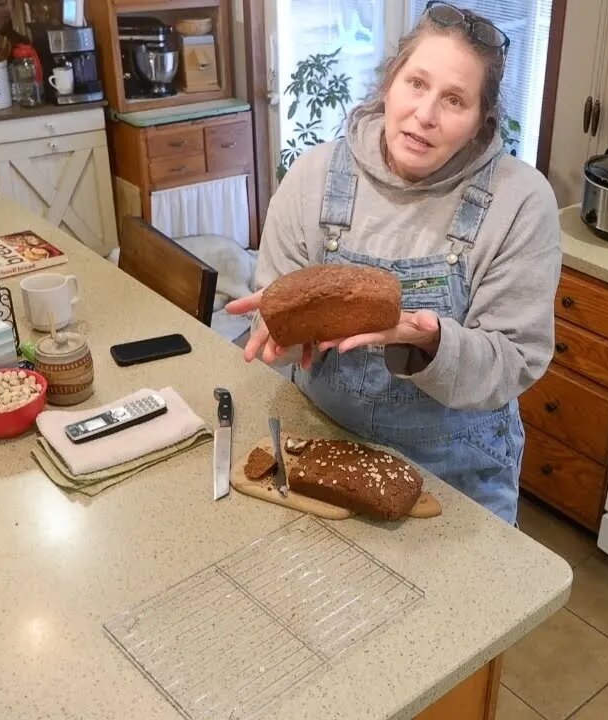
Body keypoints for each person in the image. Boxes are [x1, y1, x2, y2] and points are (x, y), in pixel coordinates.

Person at [227, 1, 560, 525]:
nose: (425, 115)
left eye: (455, 100)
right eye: (416, 84)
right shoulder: (313, 179)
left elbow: (516, 360)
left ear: (480, 122)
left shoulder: (519, 202)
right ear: (389, 84)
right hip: (325, 447)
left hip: (457, 474)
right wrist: (280, 336)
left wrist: (425, 339)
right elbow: (275, 332)